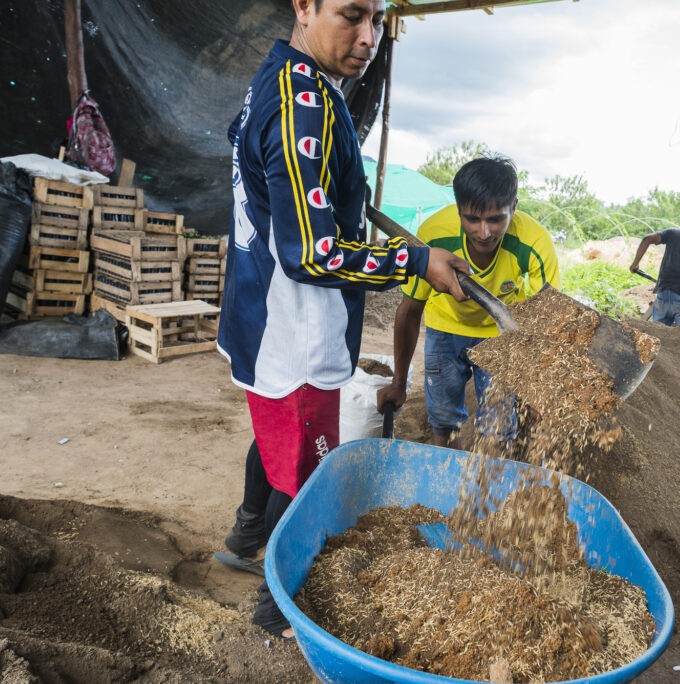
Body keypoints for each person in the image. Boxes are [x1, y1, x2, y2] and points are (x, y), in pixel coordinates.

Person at [215, 0, 471, 641]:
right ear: (303, 6)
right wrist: (413, 259)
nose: (369, 38)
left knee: (275, 438)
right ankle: (275, 618)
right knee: (305, 477)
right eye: (351, 16)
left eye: (378, 21)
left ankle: (246, 535)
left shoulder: (278, 78)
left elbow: (285, 193)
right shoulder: (303, 100)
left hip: (257, 315)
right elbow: (310, 253)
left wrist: (344, 202)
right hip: (294, 328)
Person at [375, 156, 560, 449]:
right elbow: (410, 311)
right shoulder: (434, 235)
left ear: (513, 207)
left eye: (496, 219)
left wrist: (538, 391)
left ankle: (488, 491)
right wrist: (398, 383)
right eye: (472, 219)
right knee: (444, 422)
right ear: (458, 209)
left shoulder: (534, 242)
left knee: (499, 430)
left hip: (501, 337)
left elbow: (548, 321)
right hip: (445, 330)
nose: (483, 233)